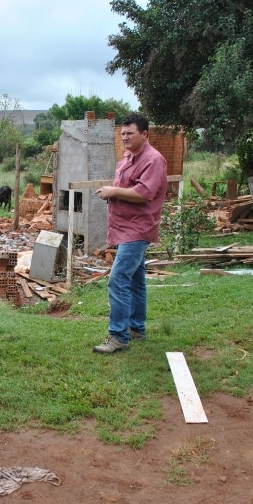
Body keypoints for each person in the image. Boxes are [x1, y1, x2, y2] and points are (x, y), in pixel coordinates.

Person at [93, 113, 168, 353]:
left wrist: (113, 191)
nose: (124, 138)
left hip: (138, 228)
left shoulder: (153, 160)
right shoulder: (128, 157)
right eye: (122, 133)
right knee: (136, 280)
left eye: (129, 133)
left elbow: (143, 193)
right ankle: (136, 328)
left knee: (118, 279)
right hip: (124, 226)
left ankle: (118, 336)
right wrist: (114, 192)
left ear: (145, 134)